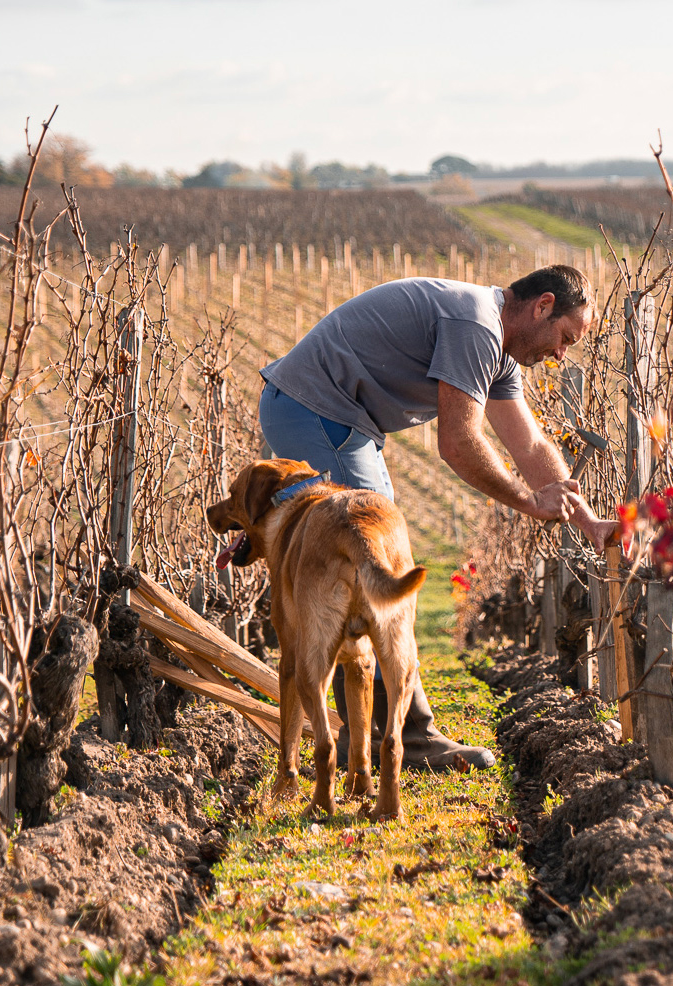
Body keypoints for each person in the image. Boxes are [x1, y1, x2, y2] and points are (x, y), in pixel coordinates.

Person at [257, 263, 617, 771]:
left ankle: (371, 730)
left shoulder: (499, 353)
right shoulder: (476, 325)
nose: (561, 355)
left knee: (372, 564)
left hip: (328, 414)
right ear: (542, 306)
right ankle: (408, 733)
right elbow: (459, 442)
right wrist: (527, 501)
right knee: (379, 558)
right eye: (564, 338)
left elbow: (532, 446)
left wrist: (590, 523)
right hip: (314, 409)